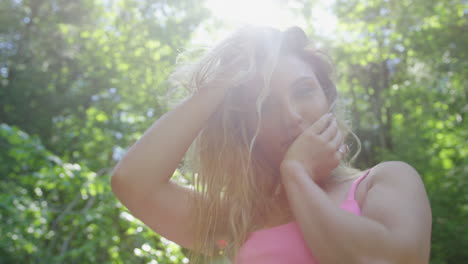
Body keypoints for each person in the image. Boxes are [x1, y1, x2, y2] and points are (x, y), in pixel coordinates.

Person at [110, 26, 432, 263]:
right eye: (265, 105)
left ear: (328, 99)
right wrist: (223, 81)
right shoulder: (239, 220)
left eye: (304, 91)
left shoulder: (385, 181)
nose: (291, 115)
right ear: (248, 127)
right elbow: (133, 182)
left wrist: (296, 174)